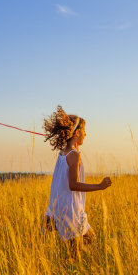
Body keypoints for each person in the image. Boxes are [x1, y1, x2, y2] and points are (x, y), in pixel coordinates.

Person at [43, 105, 112, 260]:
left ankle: (65, 263)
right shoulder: (74, 155)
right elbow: (73, 185)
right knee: (76, 255)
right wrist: (99, 186)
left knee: (87, 240)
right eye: (85, 132)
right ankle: (62, 272)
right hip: (71, 211)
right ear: (78, 133)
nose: (86, 135)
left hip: (59, 207)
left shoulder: (62, 152)